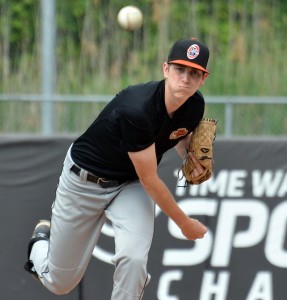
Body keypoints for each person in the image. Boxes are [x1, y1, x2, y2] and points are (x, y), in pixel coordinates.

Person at [24, 37, 210, 299]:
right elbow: (150, 179)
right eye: (180, 69)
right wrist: (184, 223)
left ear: (203, 79)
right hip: (85, 181)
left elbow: (178, 136)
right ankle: (40, 241)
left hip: (129, 184)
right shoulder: (138, 109)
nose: (186, 79)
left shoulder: (195, 105)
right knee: (60, 282)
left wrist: (191, 156)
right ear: (165, 69)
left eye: (194, 73)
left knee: (134, 261)